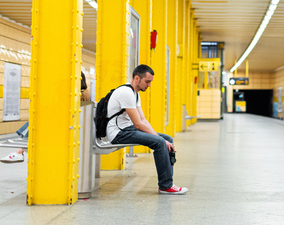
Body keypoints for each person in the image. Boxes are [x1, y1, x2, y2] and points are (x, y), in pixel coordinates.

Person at [107, 64, 187, 195]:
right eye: (147, 82)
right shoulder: (126, 92)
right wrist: (158, 138)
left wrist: (159, 137)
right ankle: (166, 186)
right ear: (137, 78)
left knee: (167, 139)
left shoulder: (135, 94)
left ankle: (169, 183)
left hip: (128, 130)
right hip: (118, 133)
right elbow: (138, 124)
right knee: (160, 142)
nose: (149, 85)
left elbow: (143, 120)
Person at [2, 72, 91, 163]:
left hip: (67, 124)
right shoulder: (84, 93)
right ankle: (20, 150)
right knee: (36, 120)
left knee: (37, 122)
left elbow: (64, 108)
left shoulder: (80, 94)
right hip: (71, 123)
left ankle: (20, 151)